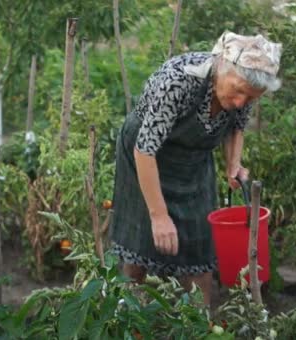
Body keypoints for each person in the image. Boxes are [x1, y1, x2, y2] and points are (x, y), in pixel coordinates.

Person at [109, 31, 282, 306]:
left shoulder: (244, 89)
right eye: (237, 91)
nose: (241, 102)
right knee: (139, 244)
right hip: (145, 159)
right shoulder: (178, 81)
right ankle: (129, 319)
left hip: (192, 162)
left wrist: (233, 163)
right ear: (221, 67)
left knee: (200, 248)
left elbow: (236, 125)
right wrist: (159, 216)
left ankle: (198, 325)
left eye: (250, 98)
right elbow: (145, 149)